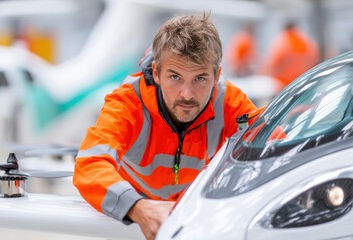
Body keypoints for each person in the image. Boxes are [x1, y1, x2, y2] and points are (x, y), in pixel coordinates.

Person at [73, 13, 257, 240]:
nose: (187, 95)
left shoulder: (231, 104)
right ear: (157, 72)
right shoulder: (128, 103)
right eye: (175, 77)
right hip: (129, 225)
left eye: (200, 79)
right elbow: (90, 164)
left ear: (217, 75)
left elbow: (279, 149)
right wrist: (137, 207)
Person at [260, 21, 320, 90]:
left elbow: (272, 64)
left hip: (285, 84)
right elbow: (314, 59)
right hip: (302, 80)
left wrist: (263, 74)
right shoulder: (305, 40)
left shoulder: (282, 41)